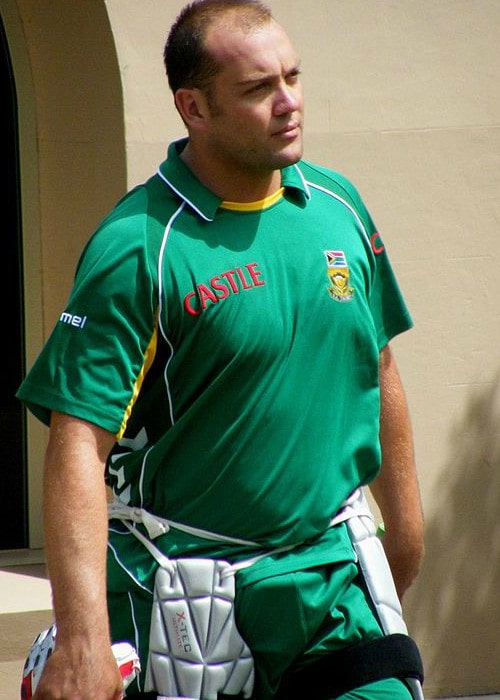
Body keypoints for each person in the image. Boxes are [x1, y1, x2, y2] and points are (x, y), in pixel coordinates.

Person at [17, 1, 425, 698]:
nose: (289, 103)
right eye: (258, 88)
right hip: (185, 599)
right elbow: (77, 443)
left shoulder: (340, 206)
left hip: (331, 582)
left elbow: (377, 362)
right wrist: (83, 637)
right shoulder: (139, 246)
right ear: (194, 108)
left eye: (292, 78)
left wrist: (408, 533)